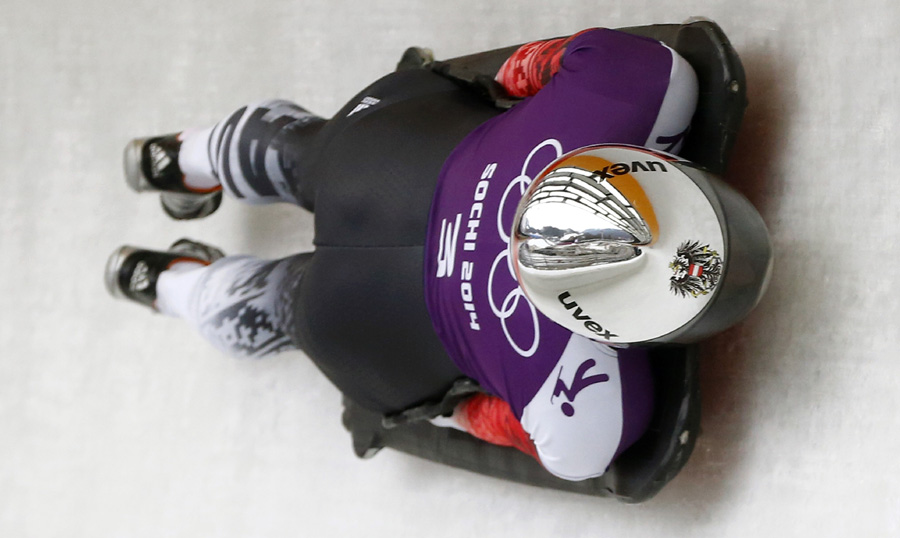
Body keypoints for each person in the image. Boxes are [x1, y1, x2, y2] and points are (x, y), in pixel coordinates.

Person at [106, 28, 698, 481]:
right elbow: (542, 444)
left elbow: (557, 66)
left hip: (385, 155)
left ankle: (184, 161)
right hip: (367, 328)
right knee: (285, 305)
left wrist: (504, 91)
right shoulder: (585, 419)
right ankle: (176, 286)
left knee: (303, 153)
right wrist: (457, 404)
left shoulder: (642, 85)